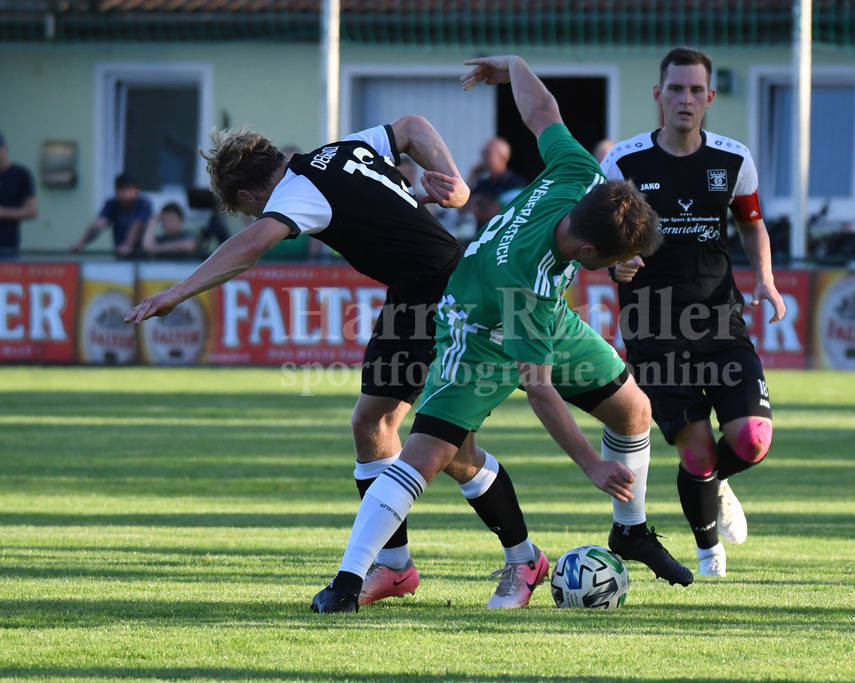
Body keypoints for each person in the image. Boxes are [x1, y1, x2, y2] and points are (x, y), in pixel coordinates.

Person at [311, 55, 694, 615]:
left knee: (634, 411)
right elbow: (539, 390)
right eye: (615, 259)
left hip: (545, 322)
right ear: (588, 252)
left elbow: (544, 111)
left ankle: (629, 533)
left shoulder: (579, 177)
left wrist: (514, 65)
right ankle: (347, 582)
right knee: (426, 455)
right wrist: (590, 464)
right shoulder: (529, 283)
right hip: (475, 329)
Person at [123, 115, 538, 609]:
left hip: (451, 292)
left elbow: (250, 248)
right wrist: (456, 184)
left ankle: (524, 558)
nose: (258, 217)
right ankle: (395, 567)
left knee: (449, 442)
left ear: (251, 198)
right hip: (415, 292)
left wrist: (177, 292)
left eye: (248, 210)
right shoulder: (344, 150)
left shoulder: (295, 192)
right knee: (373, 422)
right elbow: (410, 128)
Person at [600, 46, 787, 578]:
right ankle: (710, 557)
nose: (685, 99)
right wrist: (617, 264)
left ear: (710, 96)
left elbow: (752, 225)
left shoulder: (733, 160)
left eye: (695, 90)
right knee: (699, 454)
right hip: (653, 329)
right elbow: (595, 237)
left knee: (751, 440)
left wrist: (766, 280)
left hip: (721, 323)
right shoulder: (623, 162)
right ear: (658, 94)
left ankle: (717, 483)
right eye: (675, 89)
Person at [70, 173, 152, 258]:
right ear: (116, 191)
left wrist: (128, 245)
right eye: (122, 190)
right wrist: (80, 243)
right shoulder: (112, 204)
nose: (126, 194)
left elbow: (138, 224)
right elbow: (99, 224)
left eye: (129, 190)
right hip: (121, 256)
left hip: (144, 257)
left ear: (136, 190)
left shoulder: (144, 204)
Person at [461, 136, 527, 231]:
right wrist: (472, 177)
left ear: (502, 158)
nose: (483, 156)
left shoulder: (516, 184)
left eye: (488, 153)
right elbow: (461, 210)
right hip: (482, 239)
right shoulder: (482, 183)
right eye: (483, 152)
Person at [0, 131, 39, 260]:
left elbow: (32, 211)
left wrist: (4, 213)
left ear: (5, 148)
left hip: (7, 246)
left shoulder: (20, 174)